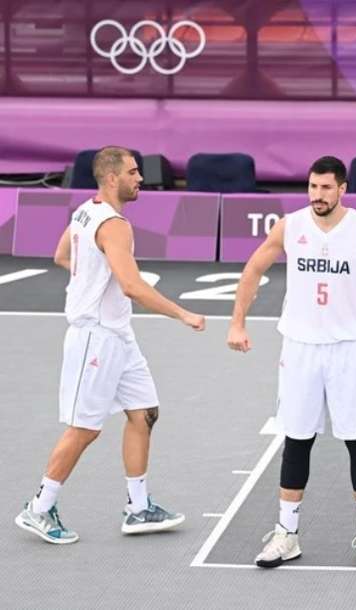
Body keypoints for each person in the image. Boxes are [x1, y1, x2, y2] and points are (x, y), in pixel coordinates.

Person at [15, 146, 205, 544]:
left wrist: (91, 277)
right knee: (84, 428)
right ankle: (39, 508)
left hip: (119, 335)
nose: (141, 179)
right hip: (95, 338)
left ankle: (138, 509)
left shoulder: (85, 209)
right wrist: (183, 315)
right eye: (134, 173)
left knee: (144, 413)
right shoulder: (115, 224)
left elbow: (61, 254)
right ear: (112, 177)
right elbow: (133, 287)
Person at [227, 156, 356, 570]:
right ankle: (287, 535)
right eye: (312, 187)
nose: (317, 195)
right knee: (297, 439)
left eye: (325, 188)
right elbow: (253, 269)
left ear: (342, 189)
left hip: (348, 351)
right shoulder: (291, 225)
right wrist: (237, 322)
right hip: (300, 348)